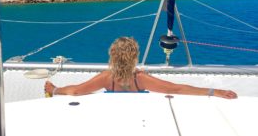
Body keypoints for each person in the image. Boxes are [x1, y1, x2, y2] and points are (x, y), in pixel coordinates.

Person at [45, 37, 237, 99]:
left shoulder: (106, 77)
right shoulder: (141, 78)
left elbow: (77, 91)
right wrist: (214, 91)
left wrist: (54, 89)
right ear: (135, 57)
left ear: (112, 56)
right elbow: (176, 88)